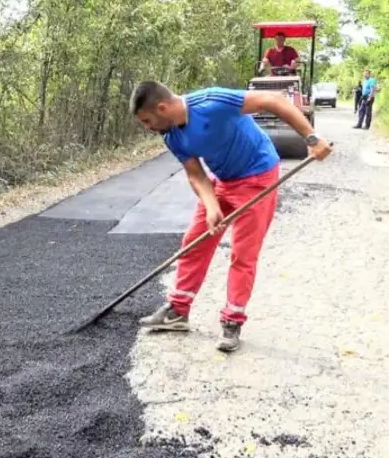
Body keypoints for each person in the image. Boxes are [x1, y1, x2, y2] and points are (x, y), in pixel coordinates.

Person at [129, 81, 332, 352]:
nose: (147, 127)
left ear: (162, 108)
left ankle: (232, 320)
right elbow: (196, 174)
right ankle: (178, 310)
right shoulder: (171, 136)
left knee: (243, 253)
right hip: (223, 180)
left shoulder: (212, 102)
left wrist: (311, 138)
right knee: (195, 240)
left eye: (147, 120)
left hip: (258, 177)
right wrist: (211, 205)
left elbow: (274, 100)